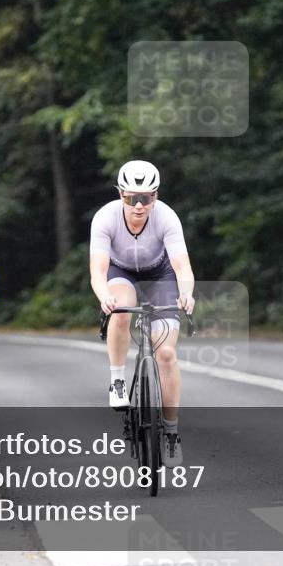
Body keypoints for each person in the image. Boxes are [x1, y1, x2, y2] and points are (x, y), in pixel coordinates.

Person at [89, 160, 195, 467]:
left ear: (156, 196)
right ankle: (118, 380)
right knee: (121, 311)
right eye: (130, 197)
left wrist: (186, 292)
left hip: (160, 275)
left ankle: (172, 432)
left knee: (166, 355)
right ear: (120, 193)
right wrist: (104, 295)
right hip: (121, 272)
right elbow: (97, 269)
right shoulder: (105, 218)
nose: (138, 205)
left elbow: (181, 266)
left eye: (146, 198)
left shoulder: (167, 218)